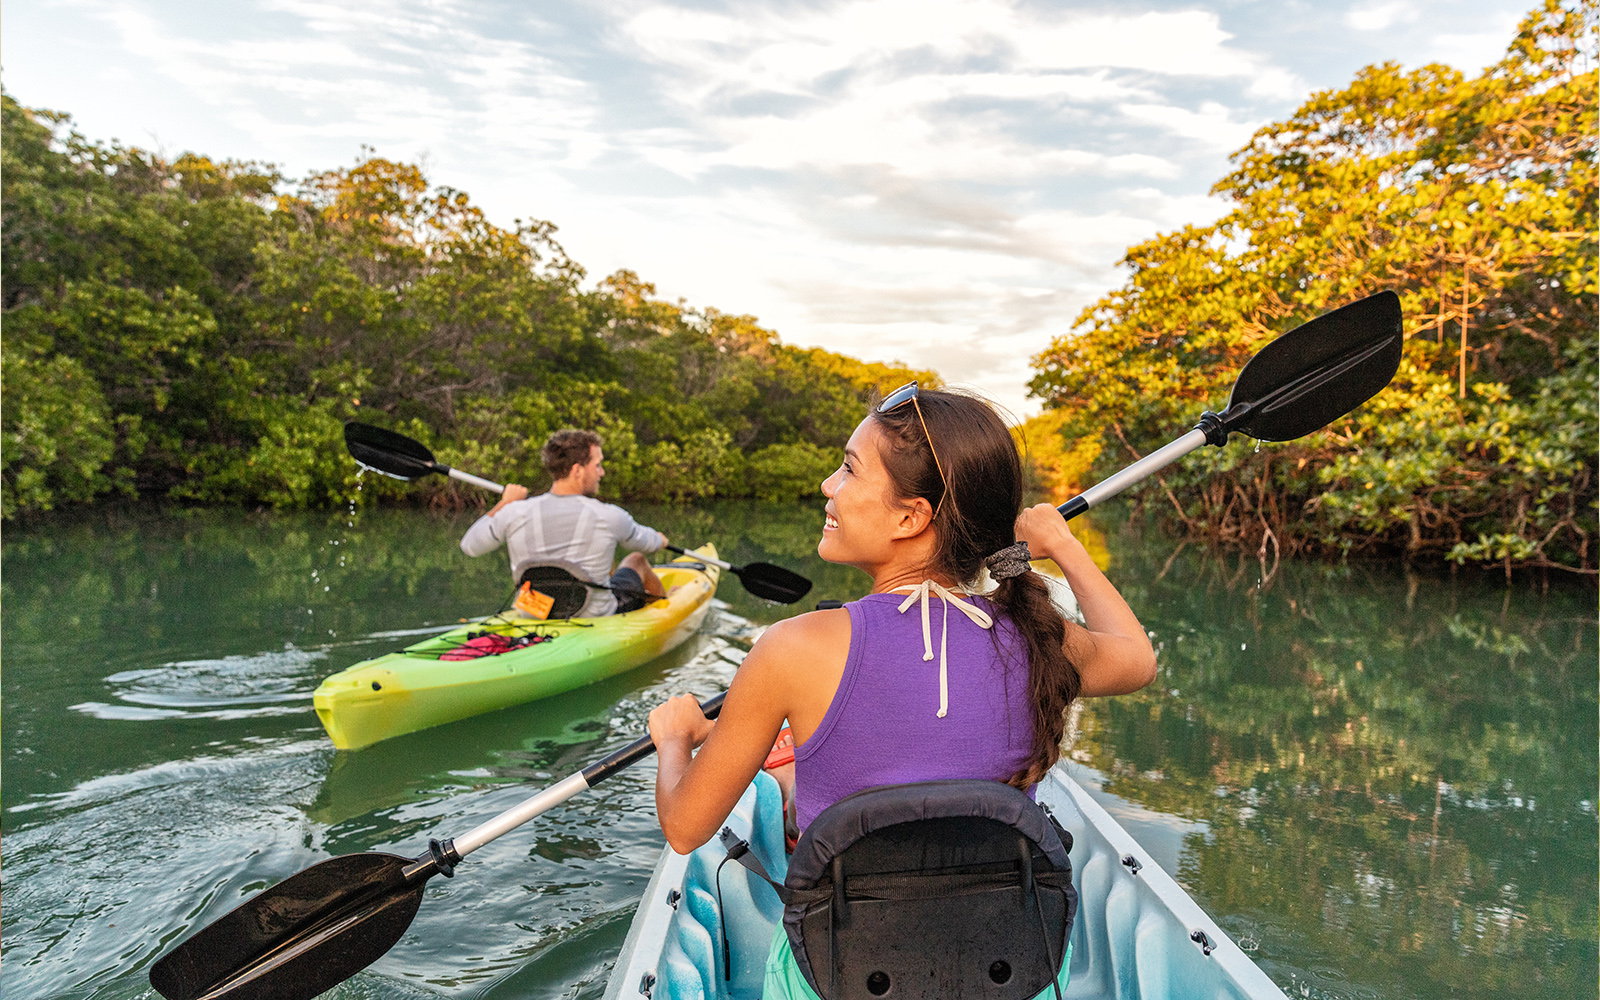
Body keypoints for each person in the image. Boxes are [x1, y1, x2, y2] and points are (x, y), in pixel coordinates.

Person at [646, 384, 1157, 991]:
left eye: (849, 470)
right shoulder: (1037, 636)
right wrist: (1062, 546)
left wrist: (677, 740)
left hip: (844, 976)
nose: (827, 486)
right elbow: (1138, 659)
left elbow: (684, 827)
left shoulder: (791, 648)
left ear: (911, 517)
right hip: (1009, 974)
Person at [459, 428, 669, 617]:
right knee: (636, 560)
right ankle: (668, 607)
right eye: (597, 465)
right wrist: (660, 540)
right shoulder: (609, 516)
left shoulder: (515, 511)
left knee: (609, 564)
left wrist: (504, 504)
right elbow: (648, 543)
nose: (601, 473)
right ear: (578, 470)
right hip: (593, 616)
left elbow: (469, 546)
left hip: (533, 614)